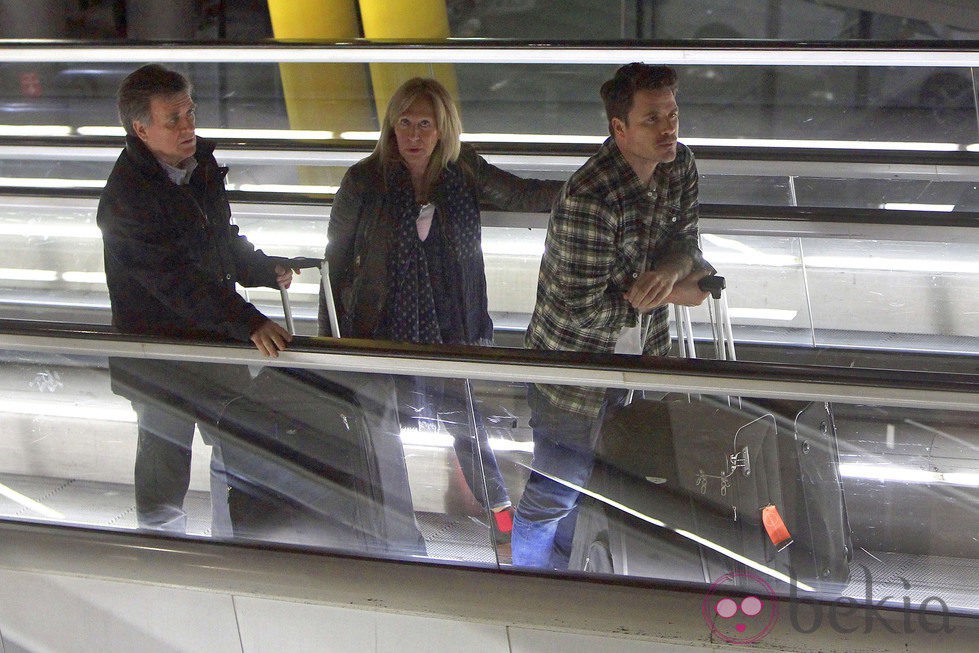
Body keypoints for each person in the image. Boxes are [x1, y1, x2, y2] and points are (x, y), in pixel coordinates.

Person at [320, 77, 563, 543]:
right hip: (379, 333)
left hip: (454, 328)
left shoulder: (463, 171)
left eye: (424, 124)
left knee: (467, 426)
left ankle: (504, 528)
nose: (413, 135)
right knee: (383, 436)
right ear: (391, 128)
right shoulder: (363, 181)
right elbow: (335, 265)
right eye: (404, 123)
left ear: (443, 129)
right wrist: (332, 343)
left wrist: (587, 193)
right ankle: (396, 537)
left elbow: (522, 194)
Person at [513, 63, 714, 569]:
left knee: (614, 481)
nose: (668, 128)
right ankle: (528, 579)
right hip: (571, 370)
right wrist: (674, 293)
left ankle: (574, 567)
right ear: (618, 129)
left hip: (641, 360)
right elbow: (582, 310)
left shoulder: (679, 164)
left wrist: (669, 271)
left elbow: (686, 239)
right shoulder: (589, 198)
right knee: (559, 484)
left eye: (672, 115)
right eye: (652, 119)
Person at [97, 63, 297, 535]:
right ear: (140, 129)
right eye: (174, 120)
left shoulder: (199, 166)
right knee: (166, 457)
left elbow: (219, 239)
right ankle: (163, 550)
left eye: (190, 114)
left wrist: (262, 269)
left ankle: (237, 544)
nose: (188, 127)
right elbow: (172, 282)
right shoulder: (126, 200)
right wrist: (248, 320)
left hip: (211, 342)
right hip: (160, 356)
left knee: (239, 445)